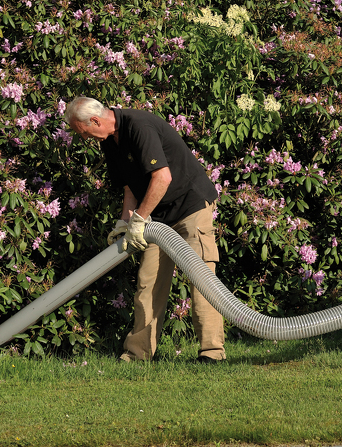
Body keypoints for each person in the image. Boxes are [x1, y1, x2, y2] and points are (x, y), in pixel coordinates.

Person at [64, 96, 226, 363]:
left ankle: (212, 353)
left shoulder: (139, 126)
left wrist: (139, 220)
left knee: (202, 280)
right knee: (148, 283)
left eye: (83, 132)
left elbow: (162, 177)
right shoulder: (110, 141)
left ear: (95, 120)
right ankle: (138, 354)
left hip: (190, 205)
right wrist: (125, 223)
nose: (85, 138)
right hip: (157, 216)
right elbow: (130, 187)